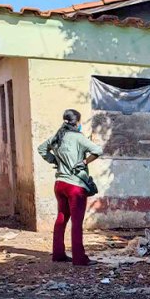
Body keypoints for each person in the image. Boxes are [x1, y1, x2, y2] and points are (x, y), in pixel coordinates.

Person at [37, 109, 103, 266]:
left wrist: (55, 161)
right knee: (77, 223)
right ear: (77, 122)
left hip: (60, 184)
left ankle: (58, 254)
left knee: (61, 218)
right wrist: (85, 162)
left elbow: (41, 149)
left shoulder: (58, 136)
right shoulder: (78, 138)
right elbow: (98, 150)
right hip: (75, 186)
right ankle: (79, 258)